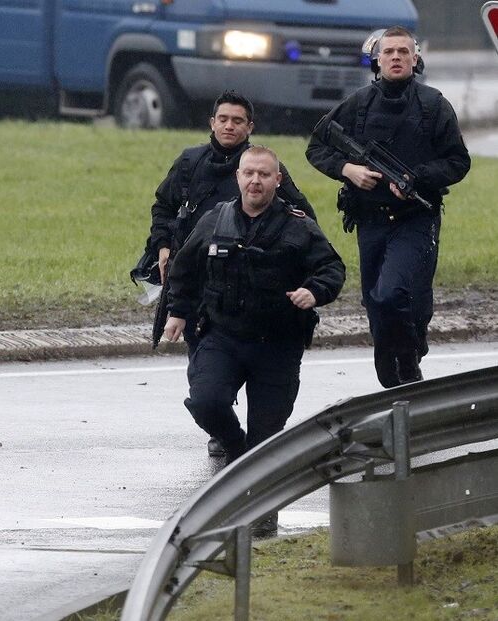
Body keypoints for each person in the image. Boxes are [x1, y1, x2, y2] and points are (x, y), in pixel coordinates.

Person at [163, 146, 345, 537]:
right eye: (249, 173)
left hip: (277, 344)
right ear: (238, 178)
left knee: (267, 437)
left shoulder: (298, 226)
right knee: (206, 402)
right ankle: (235, 448)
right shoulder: (215, 220)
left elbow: (332, 268)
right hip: (223, 336)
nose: (255, 181)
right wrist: (178, 312)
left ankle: (263, 515)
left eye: (264, 174)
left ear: (277, 180)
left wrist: (314, 291)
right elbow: (184, 269)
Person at [145, 89, 316, 457]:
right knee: (206, 373)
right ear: (212, 123)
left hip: (251, 286)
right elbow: (163, 207)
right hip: (198, 278)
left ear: (249, 127)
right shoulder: (190, 163)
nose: (229, 126)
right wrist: (163, 246)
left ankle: (250, 439)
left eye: (238, 121)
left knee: (261, 389)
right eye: (223, 119)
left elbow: (305, 220)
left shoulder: (265, 169)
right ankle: (223, 428)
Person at [306, 26, 470, 388]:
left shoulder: (433, 105)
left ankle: (407, 359)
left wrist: (417, 178)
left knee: (397, 296)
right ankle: (395, 372)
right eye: (389, 51)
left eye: (403, 51)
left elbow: (458, 161)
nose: (396, 57)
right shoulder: (358, 104)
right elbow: (317, 147)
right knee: (376, 303)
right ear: (377, 60)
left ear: (415, 59)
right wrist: (348, 170)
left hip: (416, 219)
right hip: (371, 221)